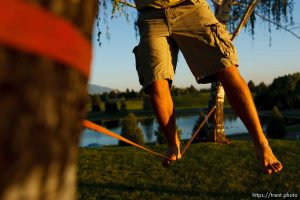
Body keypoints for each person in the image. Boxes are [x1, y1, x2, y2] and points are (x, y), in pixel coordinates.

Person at [132, 0, 282, 174]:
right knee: (156, 83)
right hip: (150, 16)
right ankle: (173, 144)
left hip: (189, 7)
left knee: (227, 68)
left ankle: (261, 143)